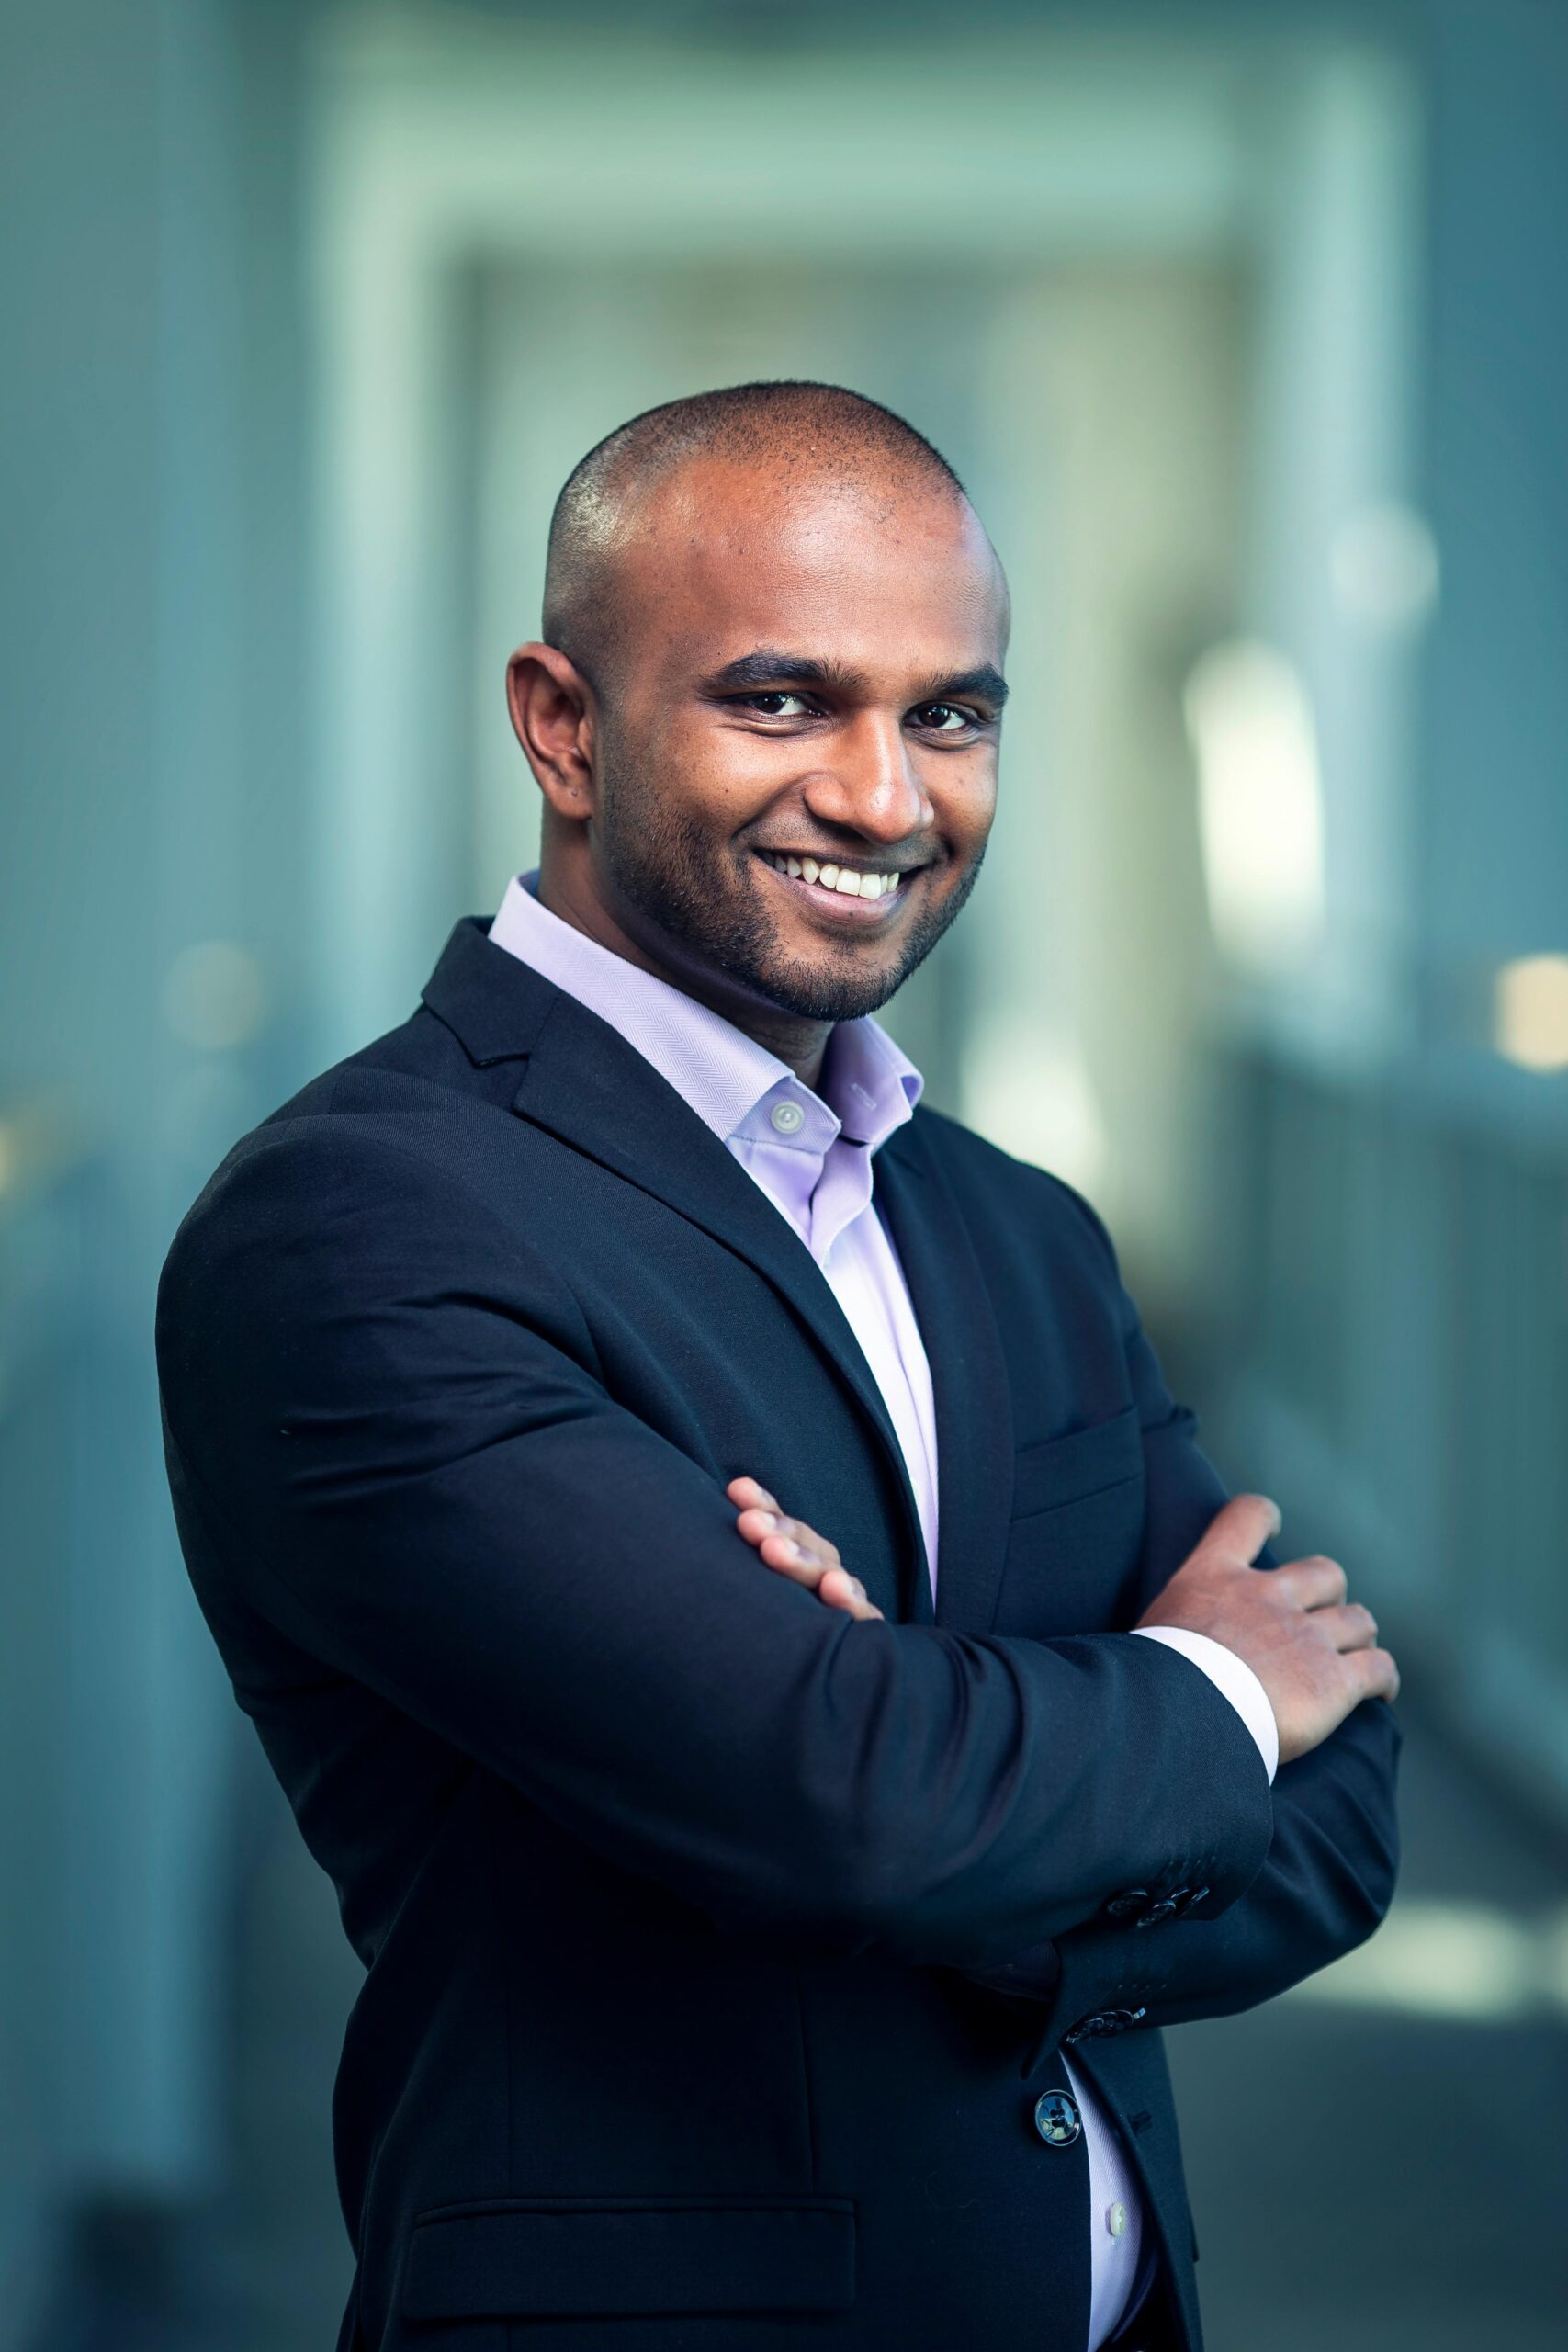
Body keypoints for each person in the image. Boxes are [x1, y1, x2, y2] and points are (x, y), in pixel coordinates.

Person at [155, 381, 1400, 2352]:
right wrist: (1197, 1689)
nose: (885, 796)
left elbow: (1343, 1815)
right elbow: (844, 1793)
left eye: (950, 713)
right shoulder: (360, 1224)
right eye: (780, 698)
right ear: (561, 722)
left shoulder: (1010, 1225)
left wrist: (930, 1761)